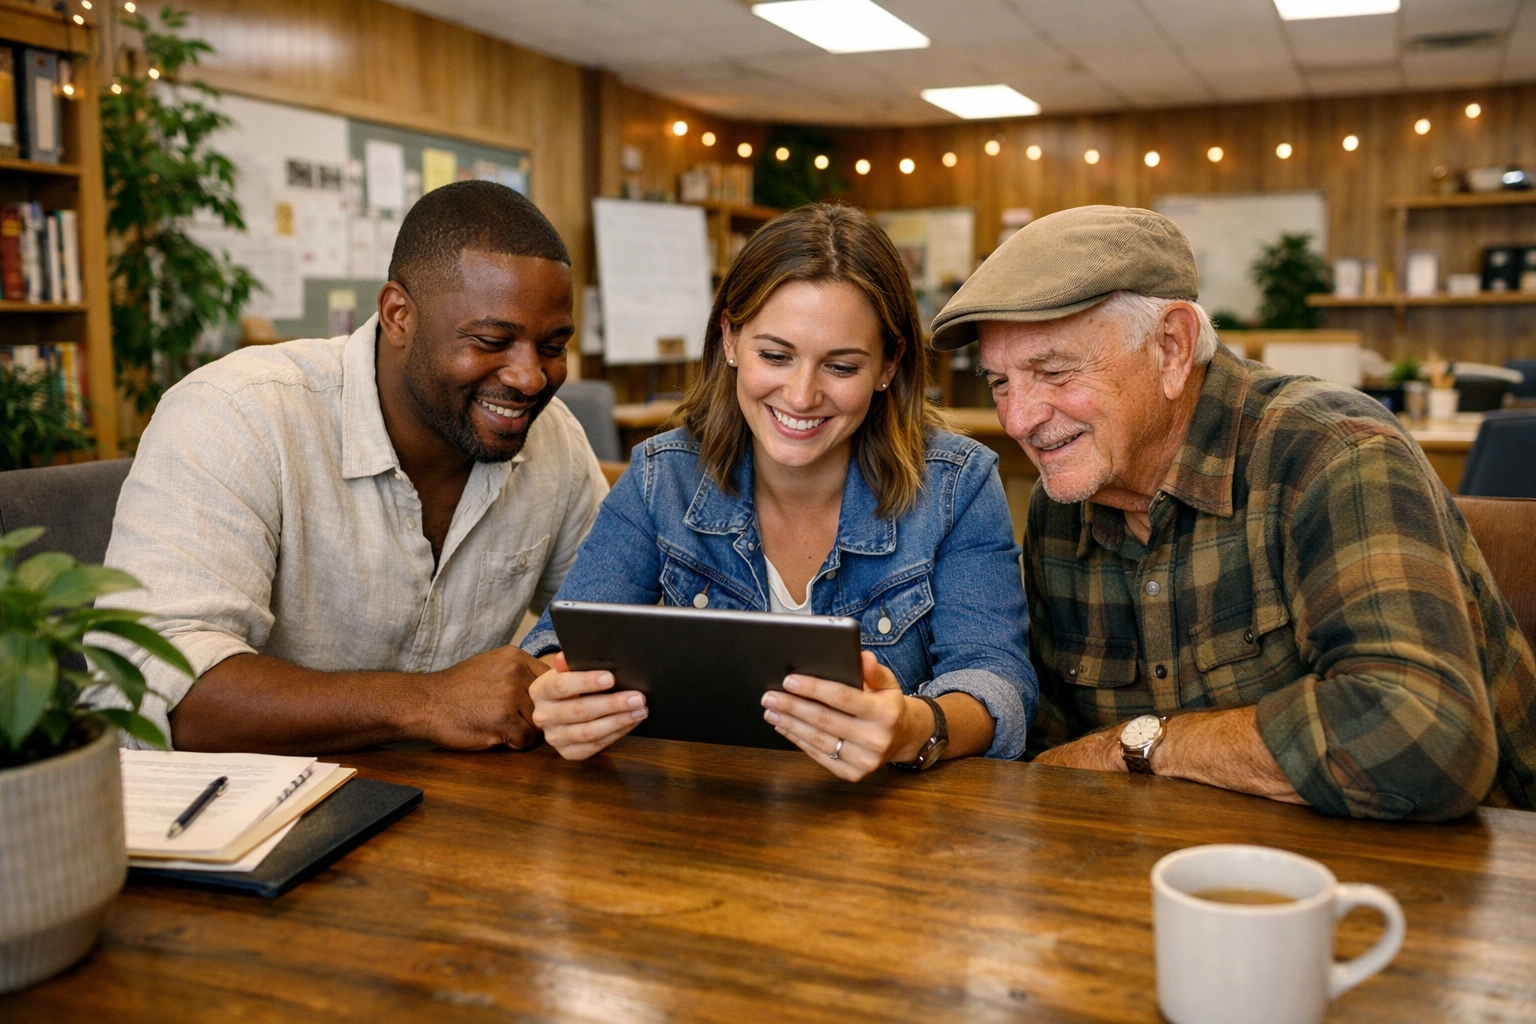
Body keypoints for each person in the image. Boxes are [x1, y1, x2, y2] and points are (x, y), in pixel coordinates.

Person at [928, 204, 1536, 818]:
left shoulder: (1332, 452)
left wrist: (1140, 745)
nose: (1019, 420)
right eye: (999, 382)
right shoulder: (1062, 504)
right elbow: (1055, 755)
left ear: (1171, 347)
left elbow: (1424, 741)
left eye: (1054, 371)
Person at [521, 204, 1037, 780]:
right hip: (695, 822)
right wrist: (558, 695)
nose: (800, 395)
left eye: (841, 367)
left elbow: (999, 682)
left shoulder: (956, 484)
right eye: (775, 355)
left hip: (884, 837)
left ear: (889, 365)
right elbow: (554, 650)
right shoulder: (658, 477)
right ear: (730, 340)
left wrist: (916, 727)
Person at [96, 180, 607, 754]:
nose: (530, 377)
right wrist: (428, 702)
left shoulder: (553, 441)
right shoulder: (238, 413)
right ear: (398, 315)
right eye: (492, 340)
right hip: (246, 816)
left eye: (553, 346)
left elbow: (606, 628)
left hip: (453, 809)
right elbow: (147, 687)